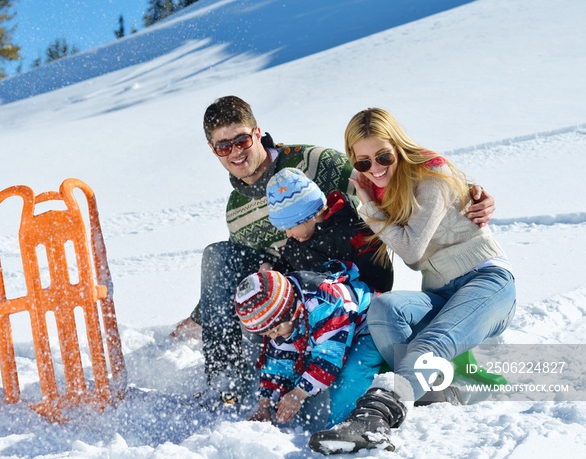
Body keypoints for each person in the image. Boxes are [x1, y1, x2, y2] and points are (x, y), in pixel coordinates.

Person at [170, 96, 496, 404]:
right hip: (293, 289)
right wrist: (201, 315)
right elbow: (230, 272)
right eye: (223, 146)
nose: (235, 152)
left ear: (257, 133)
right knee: (221, 256)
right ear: (213, 150)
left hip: (348, 283)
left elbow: (382, 171)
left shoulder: (313, 162)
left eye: (241, 140)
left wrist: (463, 192)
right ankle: (226, 385)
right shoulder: (236, 209)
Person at [308, 108, 516, 454]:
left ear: (398, 147)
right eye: (362, 163)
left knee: (433, 341)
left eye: (383, 156)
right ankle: (435, 394)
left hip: (488, 281)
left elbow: (410, 248)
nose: (374, 169)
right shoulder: (382, 189)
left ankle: (374, 417)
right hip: (440, 292)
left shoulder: (430, 174)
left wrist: (369, 207)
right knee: (385, 308)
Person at [234, 267, 383, 427]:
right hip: (331, 331)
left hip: (371, 324)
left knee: (352, 372)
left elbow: (330, 358)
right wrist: (264, 405)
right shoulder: (284, 311)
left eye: (275, 330)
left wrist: (299, 393)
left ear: (292, 311)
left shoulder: (324, 304)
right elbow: (278, 360)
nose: (273, 336)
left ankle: (344, 427)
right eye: (267, 334)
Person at [262, 167, 393, 293]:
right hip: (317, 308)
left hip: (355, 305)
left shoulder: (349, 231)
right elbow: (287, 265)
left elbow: (379, 275)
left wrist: (348, 294)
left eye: (290, 227)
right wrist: (271, 270)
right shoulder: (295, 244)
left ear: (309, 216)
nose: (288, 234)